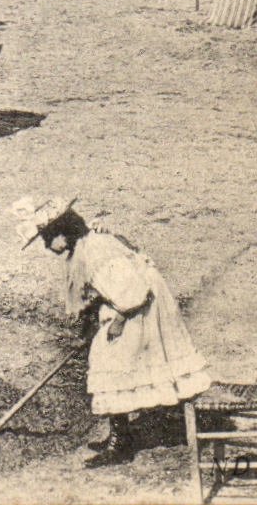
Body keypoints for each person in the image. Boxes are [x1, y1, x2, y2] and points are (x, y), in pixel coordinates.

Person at [13, 197, 211, 468]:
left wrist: (116, 324)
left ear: (64, 231)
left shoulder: (94, 253)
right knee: (111, 355)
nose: (48, 246)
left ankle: (121, 444)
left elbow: (134, 292)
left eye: (49, 238)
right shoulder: (87, 245)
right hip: (134, 303)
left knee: (107, 357)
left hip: (142, 307)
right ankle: (123, 435)